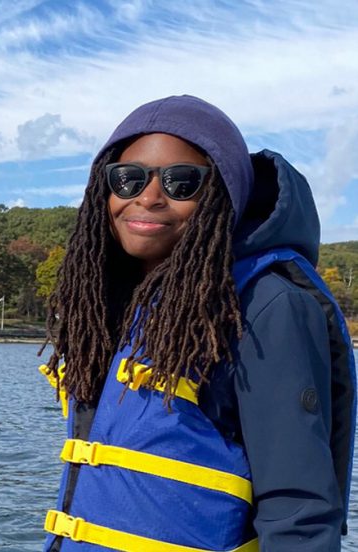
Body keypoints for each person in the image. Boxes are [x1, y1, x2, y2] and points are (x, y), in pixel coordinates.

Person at [38, 95, 355, 551]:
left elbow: (299, 511)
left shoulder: (265, 304)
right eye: (126, 180)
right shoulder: (116, 302)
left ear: (222, 196)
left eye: (181, 182)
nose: (147, 197)